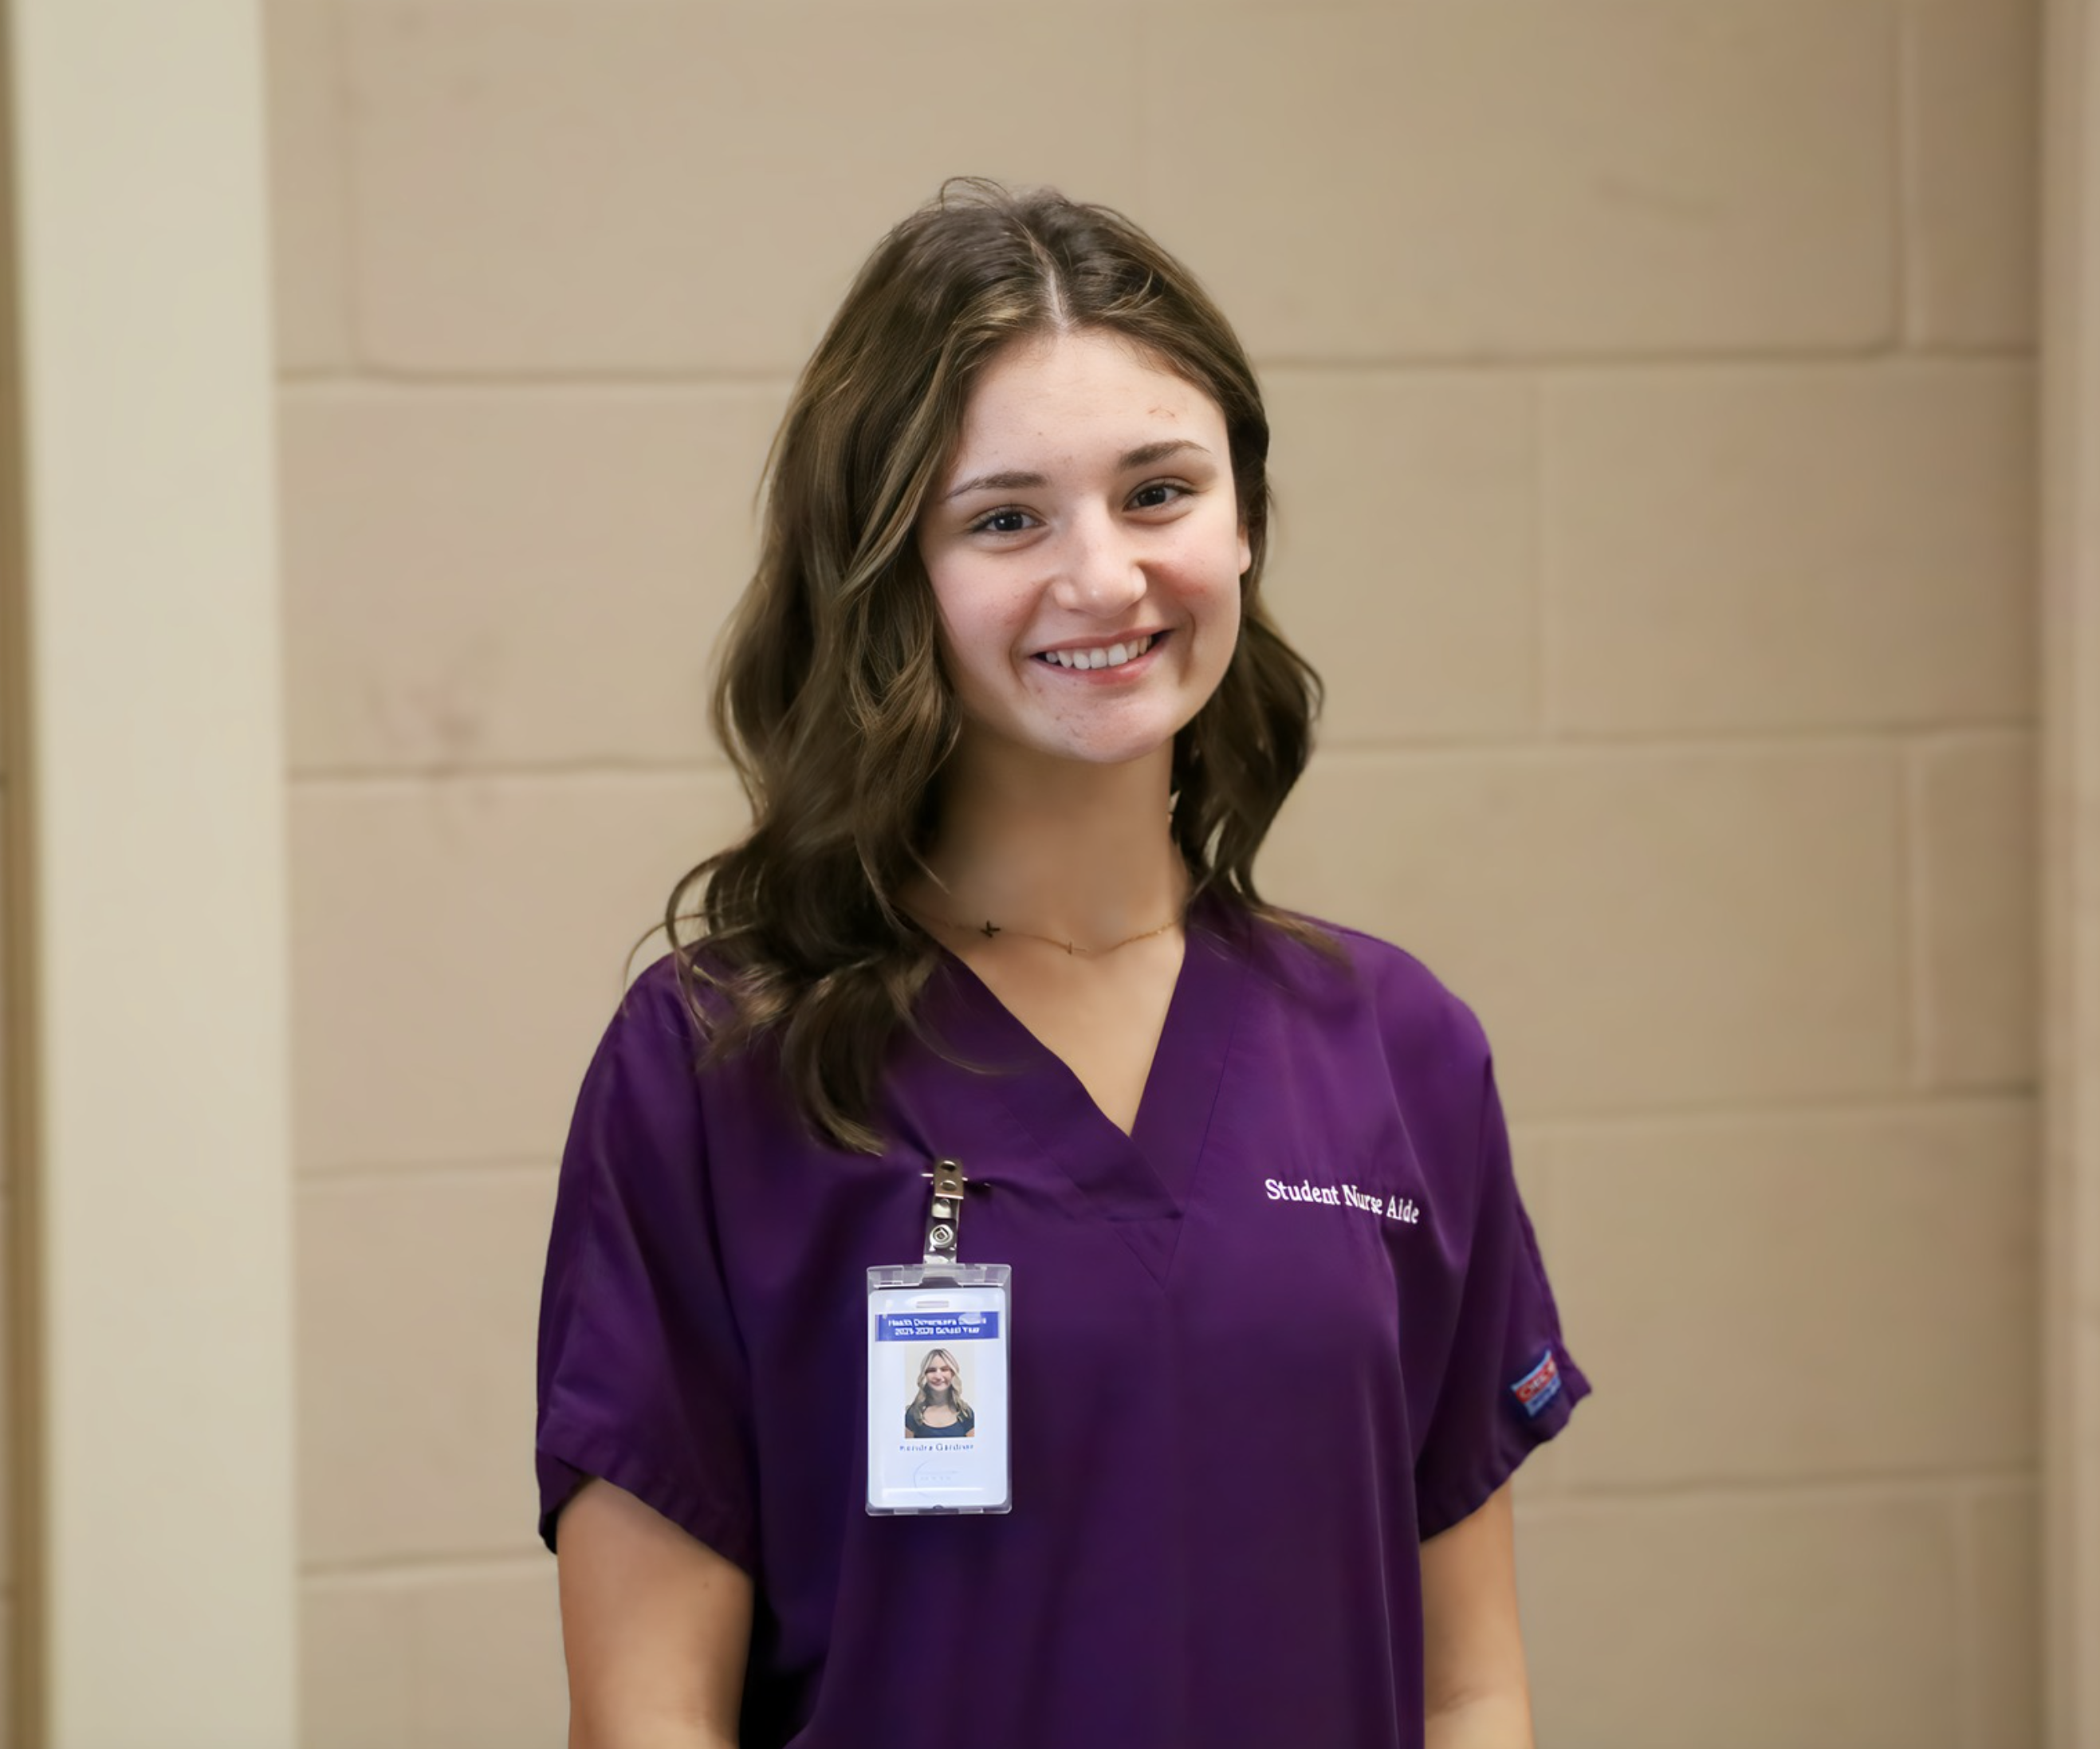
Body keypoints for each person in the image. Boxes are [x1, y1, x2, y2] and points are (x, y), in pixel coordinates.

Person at [537, 179, 1587, 1749]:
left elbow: (1468, 1683)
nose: (1102, 578)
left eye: (1160, 491)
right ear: (890, 574)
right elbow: (648, 1718)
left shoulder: (1395, 1045)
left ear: (1244, 523)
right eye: (1007, 518)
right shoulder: (713, 1067)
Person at [903, 1348, 977, 1439]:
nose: (938, 1376)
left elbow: (975, 1451)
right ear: (925, 1375)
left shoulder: (966, 1414)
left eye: (944, 1369)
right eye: (932, 1370)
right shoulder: (913, 1414)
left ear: (952, 1373)